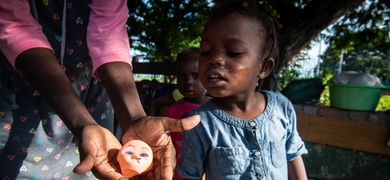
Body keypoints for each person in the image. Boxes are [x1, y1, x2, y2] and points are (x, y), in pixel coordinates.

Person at [0, 1, 199, 179]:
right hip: (20, 94)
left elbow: (108, 32)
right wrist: (83, 123)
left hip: (93, 93)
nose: (136, 155)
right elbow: (14, 25)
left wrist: (135, 118)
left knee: (94, 160)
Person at [177, 1, 308, 179]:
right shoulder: (198, 123)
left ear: (263, 68)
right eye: (206, 51)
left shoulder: (281, 107)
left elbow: (292, 155)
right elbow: (191, 176)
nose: (214, 59)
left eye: (233, 52)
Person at [163, 47, 209, 180]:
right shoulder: (172, 111)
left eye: (195, 76)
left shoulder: (216, 109)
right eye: (182, 76)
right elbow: (168, 145)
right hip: (180, 172)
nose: (188, 81)